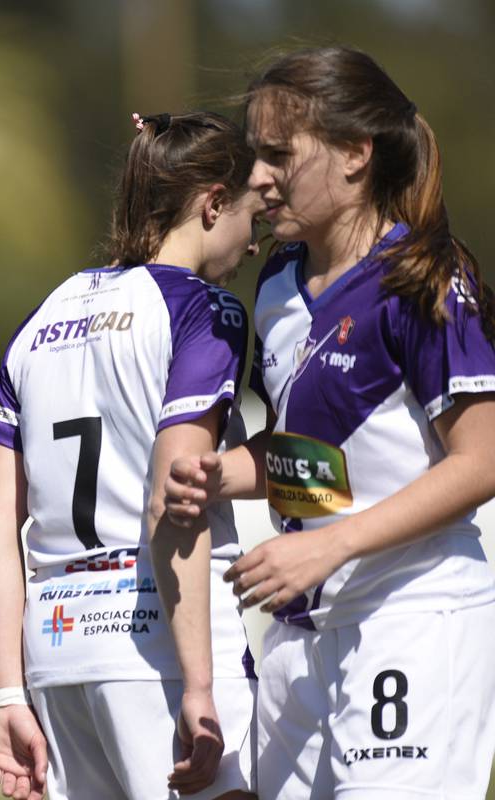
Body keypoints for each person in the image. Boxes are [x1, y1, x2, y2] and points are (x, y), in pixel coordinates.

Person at [164, 46, 495, 799]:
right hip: (300, 633)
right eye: (256, 155)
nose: (256, 176)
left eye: (279, 155)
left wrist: (333, 547)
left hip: (411, 616)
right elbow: (316, 459)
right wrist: (226, 472)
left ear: (355, 154)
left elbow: (481, 464)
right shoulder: (278, 282)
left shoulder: (424, 278)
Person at [0, 111, 263, 800]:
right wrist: (199, 681)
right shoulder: (204, 310)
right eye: (255, 217)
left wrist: (6, 691)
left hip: (57, 648)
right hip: (157, 640)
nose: (256, 245)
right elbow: (176, 490)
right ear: (213, 202)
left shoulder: (43, 316)